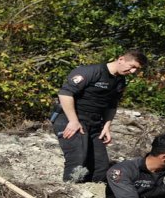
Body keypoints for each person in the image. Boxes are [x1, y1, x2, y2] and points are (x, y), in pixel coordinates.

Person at [52, 49, 147, 183]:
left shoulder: (120, 81)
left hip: (95, 123)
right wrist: (73, 121)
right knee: (78, 158)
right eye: (132, 67)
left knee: (100, 167)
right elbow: (65, 94)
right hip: (71, 119)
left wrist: (107, 127)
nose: (133, 72)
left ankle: (91, 193)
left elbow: (112, 105)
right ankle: (70, 189)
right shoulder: (91, 71)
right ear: (121, 59)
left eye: (136, 70)